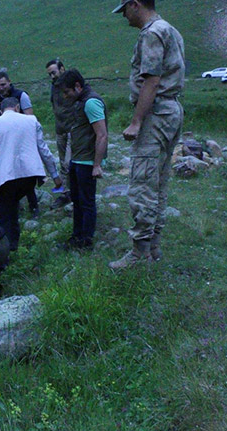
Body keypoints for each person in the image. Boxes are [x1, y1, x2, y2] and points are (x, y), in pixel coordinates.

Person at [109, 0, 185, 269]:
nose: (124, 16)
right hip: (172, 110)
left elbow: (151, 79)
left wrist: (137, 122)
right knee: (160, 181)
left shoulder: (152, 33)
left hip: (156, 114)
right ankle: (153, 246)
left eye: (125, 10)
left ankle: (140, 253)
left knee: (143, 181)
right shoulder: (171, 30)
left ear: (135, 4)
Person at [0, 97, 62, 251]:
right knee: (12, 208)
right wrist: (54, 174)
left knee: (1, 215)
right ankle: (13, 246)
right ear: (17, 107)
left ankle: (1, 254)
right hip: (30, 176)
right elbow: (43, 149)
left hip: (6, 178)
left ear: (0, 111)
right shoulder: (31, 121)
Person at [56, 69, 108, 249]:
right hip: (77, 159)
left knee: (86, 202)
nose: (65, 96)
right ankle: (76, 236)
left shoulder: (91, 102)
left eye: (67, 92)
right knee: (77, 201)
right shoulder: (81, 101)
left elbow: (101, 135)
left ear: (77, 86)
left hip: (87, 162)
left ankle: (86, 241)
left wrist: (97, 165)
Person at [0, 71, 38, 216]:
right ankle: (3, 204)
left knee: (26, 171)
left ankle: (33, 206)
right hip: (3, 140)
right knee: (1, 171)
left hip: (22, 139)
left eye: (3, 84)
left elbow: (30, 117)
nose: (1, 88)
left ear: (9, 81)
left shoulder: (21, 95)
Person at [46, 59, 75, 209]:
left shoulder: (71, 84)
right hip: (60, 129)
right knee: (63, 162)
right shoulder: (54, 87)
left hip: (73, 129)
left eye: (54, 73)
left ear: (62, 69)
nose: (52, 76)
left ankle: (72, 192)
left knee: (68, 163)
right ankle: (66, 193)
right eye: (50, 74)